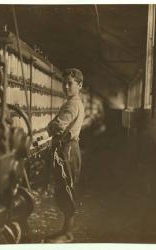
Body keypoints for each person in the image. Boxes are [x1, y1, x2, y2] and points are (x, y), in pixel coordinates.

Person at [44, 68, 85, 243]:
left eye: (70, 83)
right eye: (64, 83)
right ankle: (65, 230)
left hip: (66, 149)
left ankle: (67, 233)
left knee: (66, 187)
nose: (66, 86)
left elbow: (58, 126)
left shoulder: (72, 104)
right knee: (66, 185)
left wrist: (50, 125)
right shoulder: (73, 102)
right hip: (68, 148)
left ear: (80, 85)